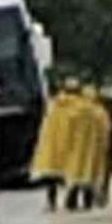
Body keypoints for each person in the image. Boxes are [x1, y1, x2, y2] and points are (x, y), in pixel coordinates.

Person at [31, 77, 82, 211]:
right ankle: (71, 202)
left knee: (51, 178)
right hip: (70, 147)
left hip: (52, 149)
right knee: (73, 176)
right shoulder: (79, 107)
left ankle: (51, 203)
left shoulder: (53, 105)